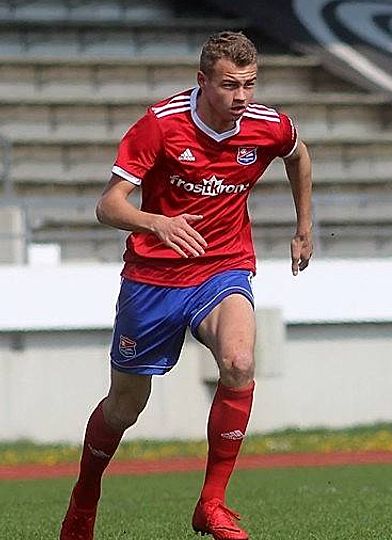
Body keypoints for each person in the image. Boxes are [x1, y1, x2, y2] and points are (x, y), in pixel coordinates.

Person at [58, 31, 313, 540]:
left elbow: (298, 155)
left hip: (223, 267)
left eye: (250, 84)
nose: (242, 96)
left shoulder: (268, 125)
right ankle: (84, 498)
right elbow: (108, 205)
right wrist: (155, 222)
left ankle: (212, 503)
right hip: (152, 279)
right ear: (203, 81)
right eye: (230, 85)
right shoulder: (161, 124)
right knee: (125, 406)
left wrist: (304, 226)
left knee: (239, 361)